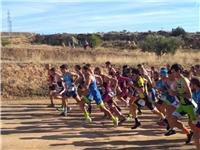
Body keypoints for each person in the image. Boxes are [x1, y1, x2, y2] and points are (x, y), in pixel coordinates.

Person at [169, 64, 196, 144]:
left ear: (179, 71)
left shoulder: (184, 80)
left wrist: (176, 93)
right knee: (173, 119)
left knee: (192, 124)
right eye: (172, 72)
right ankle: (188, 132)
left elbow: (190, 95)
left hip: (190, 105)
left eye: (174, 72)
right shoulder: (177, 80)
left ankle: (194, 135)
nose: (172, 74)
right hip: (182, 105)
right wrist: (173, 93)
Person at [190, 77, 200, 149]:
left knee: (196, 137)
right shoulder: (195, 92)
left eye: (191, 84)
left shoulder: (199, 93)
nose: (190, 85)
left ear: (195, 84)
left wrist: (197, 114)